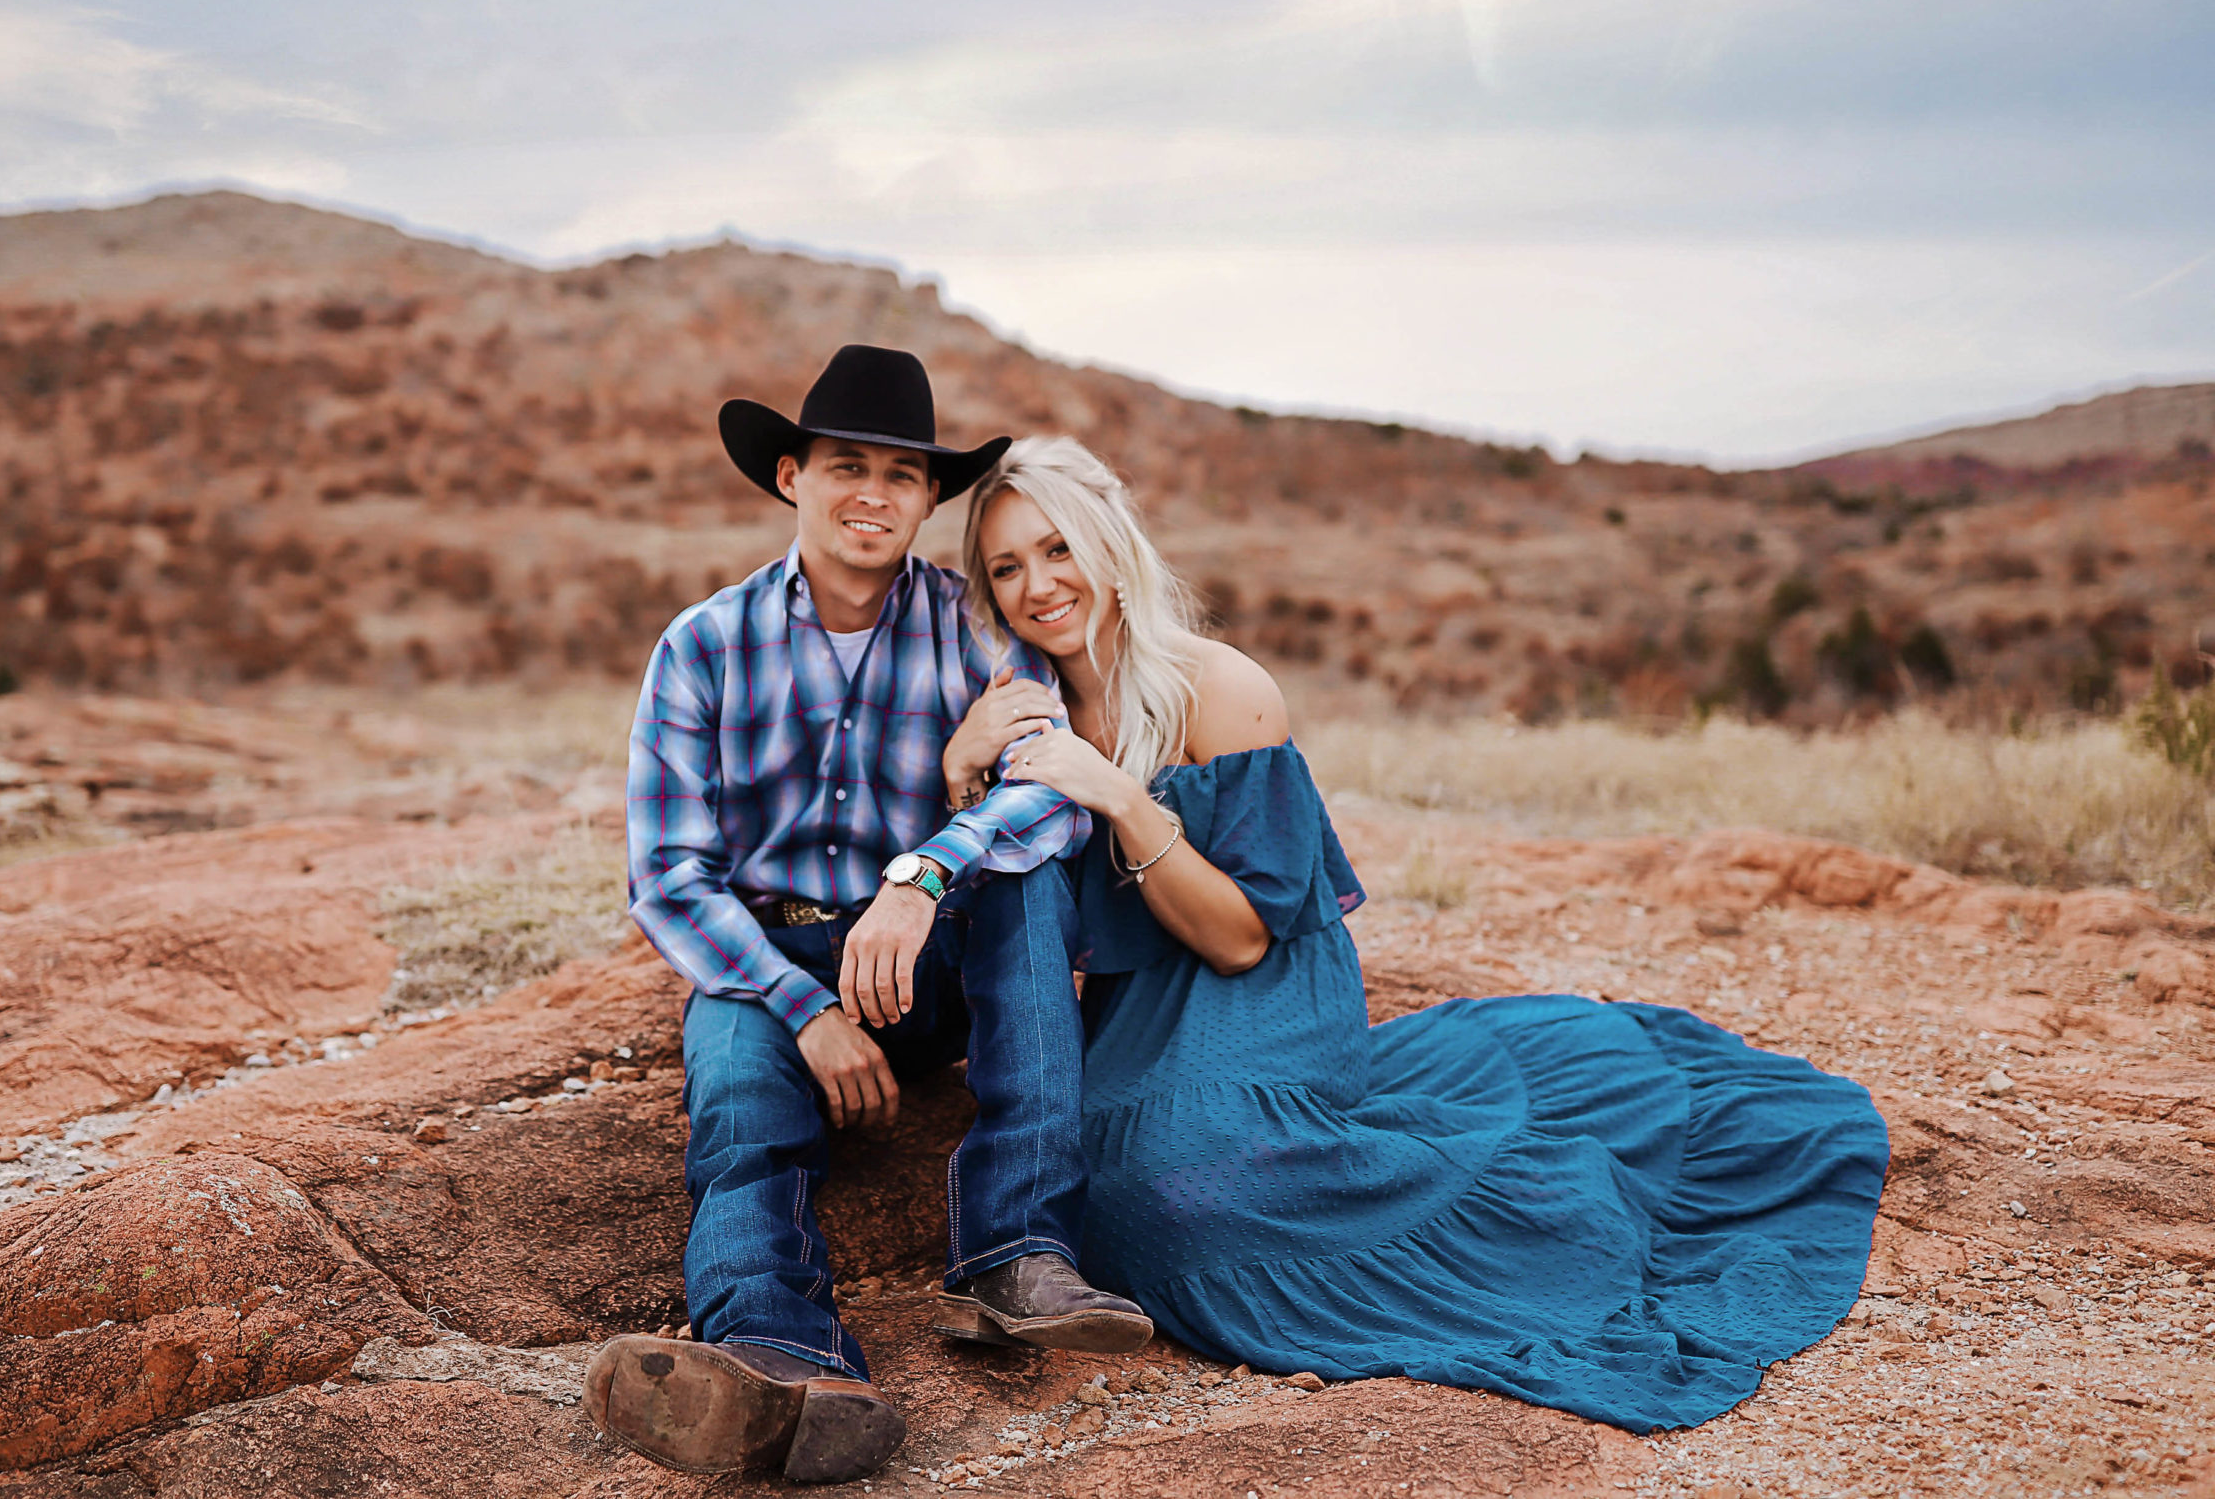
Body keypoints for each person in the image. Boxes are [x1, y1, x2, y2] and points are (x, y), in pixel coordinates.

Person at [946, 434, 1890, 1434]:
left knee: (1196, 1180)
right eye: (1007, 566)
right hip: (1139, 1019)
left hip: (1260, 993)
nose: (1038, 584)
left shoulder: (1218, 687)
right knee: (1118, 1196)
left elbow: (1240, 938)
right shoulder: (1020, 708)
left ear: (1109, 543)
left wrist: (1120, 799)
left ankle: (1538, 1219)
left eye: (1058, 549)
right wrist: (961, 770)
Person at [585, 348, 1152, 1486]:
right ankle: (780, 1357)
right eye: (847, 465)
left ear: (927, 499)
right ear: (791, 474)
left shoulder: (972, 630)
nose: (872, 495)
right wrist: (806, 1009)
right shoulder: (703, 644)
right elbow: (669, 876)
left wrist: (923, 873)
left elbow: (1050, 787)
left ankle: (1016, 1253)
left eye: (902, 475)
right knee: (743, 1108)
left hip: (923, 959)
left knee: (1026, 871)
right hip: (768, 956)